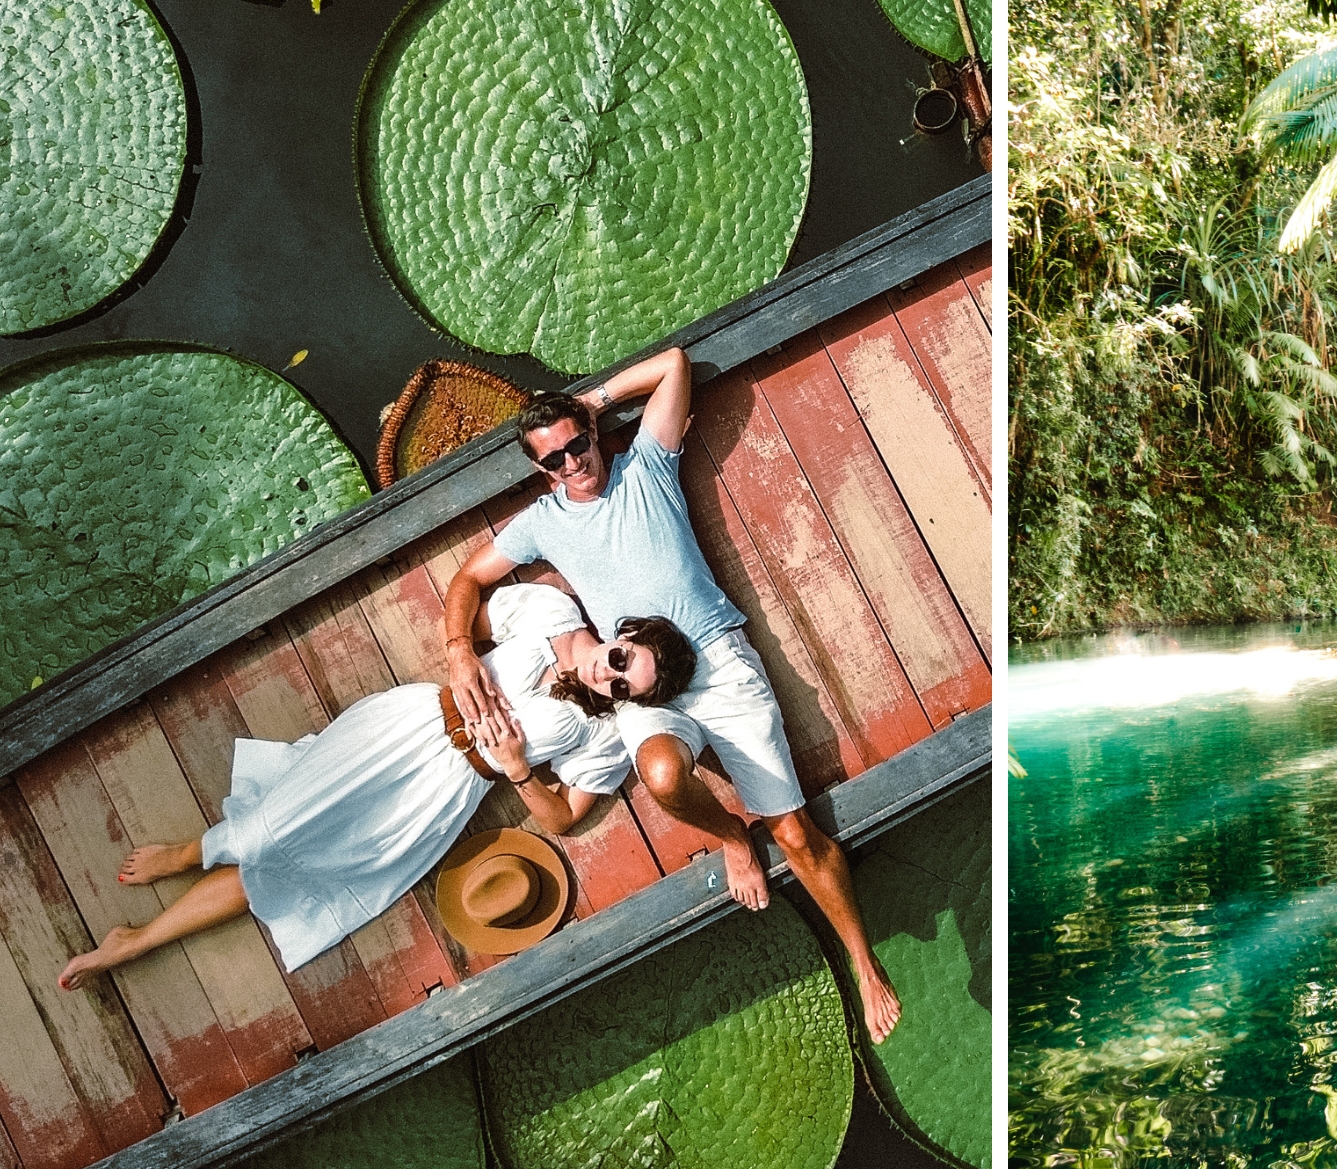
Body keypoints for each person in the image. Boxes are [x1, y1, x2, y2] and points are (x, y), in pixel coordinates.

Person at [441, 346, 902, 1043]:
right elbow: (466, 583)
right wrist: (457, 653)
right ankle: (729, 834)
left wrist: (593, 401)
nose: (572, 464)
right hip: (634, 675)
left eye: (576, 446)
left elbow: (675, 365)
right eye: (554, 460)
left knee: (797, 833)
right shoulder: (542, 521)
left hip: (716, 664)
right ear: (539, 470)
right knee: (660, 775)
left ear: (594, 435)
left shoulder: (646, 465)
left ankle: (863, 963)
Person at [58, 584, 693, 990]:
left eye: (622, 689)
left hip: (443, 794)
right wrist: (460, 654)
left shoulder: (606, 735)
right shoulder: (553, 613)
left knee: (293, 867)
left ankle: (136, 942)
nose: (610, 680)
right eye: (619, 662)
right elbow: (467, 588)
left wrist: (519, 770)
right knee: (277, 824)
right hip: (410, 724)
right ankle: (191, 851)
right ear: (623, 634)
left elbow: (562, 819)